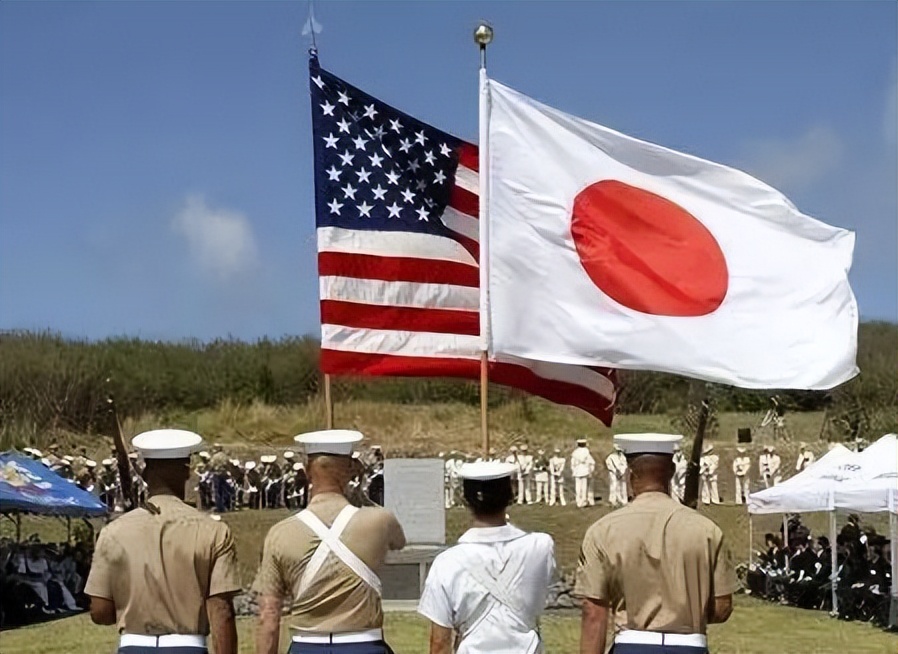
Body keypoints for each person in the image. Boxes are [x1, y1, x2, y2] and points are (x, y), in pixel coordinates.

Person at [575, 433, 736, 654]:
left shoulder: (603, 530)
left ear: (630, 474)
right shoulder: (707, 530)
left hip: (631, 644)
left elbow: (594, 611)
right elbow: (722, 608)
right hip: (690, 645)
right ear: (671, 472)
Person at [85, 429, 240, 654]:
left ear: (146, 473)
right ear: (187, 472)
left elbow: (99, 612)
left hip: (133, 646)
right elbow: (221, 610)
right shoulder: (214, 530)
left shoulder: (113, 531)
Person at [253, 429, 406, 654]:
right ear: (351, 471)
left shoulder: (279, 533)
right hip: (363, 643)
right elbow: (398, 542)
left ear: (307, 471)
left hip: (307, 644)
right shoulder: (380, 520)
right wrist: (359, 493)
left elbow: (269, 615)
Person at [418, 461, 556, 654]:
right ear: (510, 495)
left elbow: (440, 642)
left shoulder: (446, 562)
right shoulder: (540, 546)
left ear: (465, 499)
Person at [571, 438, 595, 508]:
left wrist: (573, 470)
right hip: (584, 470)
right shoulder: (586, 452)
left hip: (577, 470)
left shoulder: (575, 452)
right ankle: (583, 501)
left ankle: (578, 501)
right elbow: (591, 462)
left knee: (578, 487)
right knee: (584, 487)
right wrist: (591, 470)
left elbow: (573, 463)